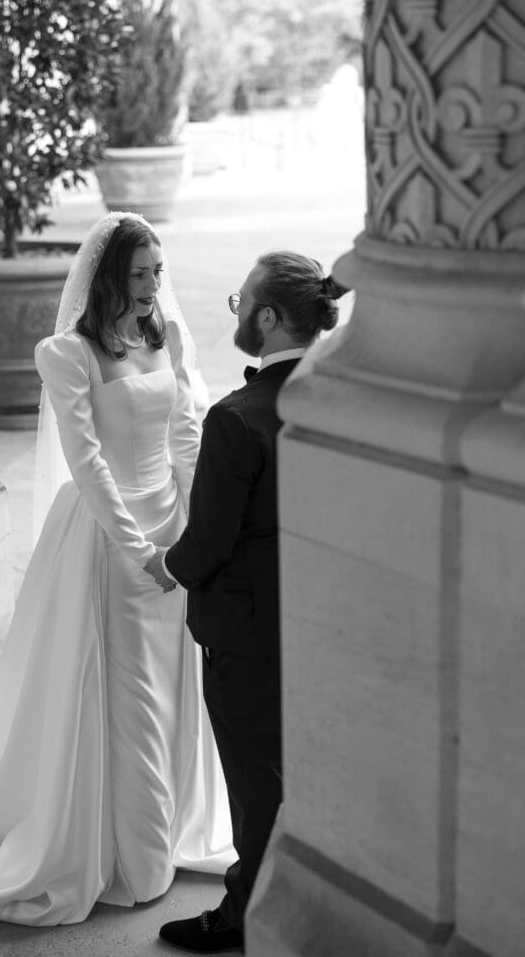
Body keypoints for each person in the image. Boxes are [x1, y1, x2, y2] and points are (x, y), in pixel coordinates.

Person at [0, 213, 234, 926]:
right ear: (106, 279)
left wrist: (192, 535)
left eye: (158, 271)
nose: (153, 286)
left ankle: (179, 820)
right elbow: (88, 462)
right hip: (111, 537)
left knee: (176, 686)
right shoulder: (65, 353)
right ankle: (135, 851)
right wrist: (140, 553)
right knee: (128, 693)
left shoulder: (167, 332)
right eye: (139, 274)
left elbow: (186, 427)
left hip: (172, 526)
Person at [151, 251, 347, 953]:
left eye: (240, 302)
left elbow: (207, 541)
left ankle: (246, 917)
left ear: (267, 316)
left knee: (257, 783)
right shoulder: (350, 396)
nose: (234, 311)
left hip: (248, 633)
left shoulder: (236, 419)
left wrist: (166, 566)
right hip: (330, 621)